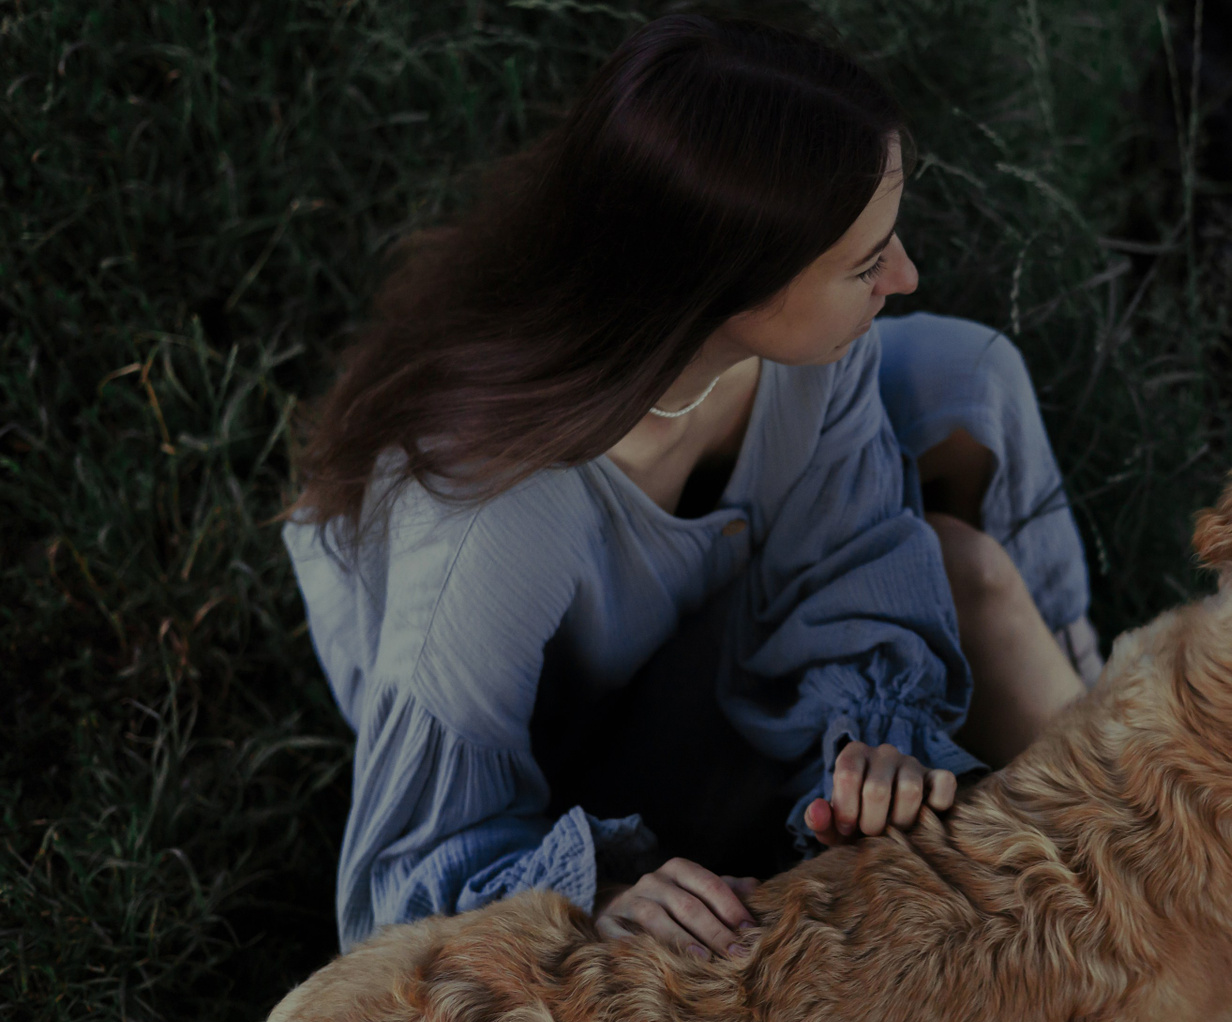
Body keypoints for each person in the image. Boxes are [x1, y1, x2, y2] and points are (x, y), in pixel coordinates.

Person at [280, 14, 1102, 962]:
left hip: (700, 599)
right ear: (731, 285)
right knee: (958, 561)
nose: (907, 275)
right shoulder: (489, 522)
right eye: (867, 263)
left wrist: (864, 748)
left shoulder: (809, 362)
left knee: (971, 376)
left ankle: (1078, 697)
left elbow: (851, 557)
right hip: (571, 744)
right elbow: (402, 887)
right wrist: (595, 897)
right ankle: (1109, 831)